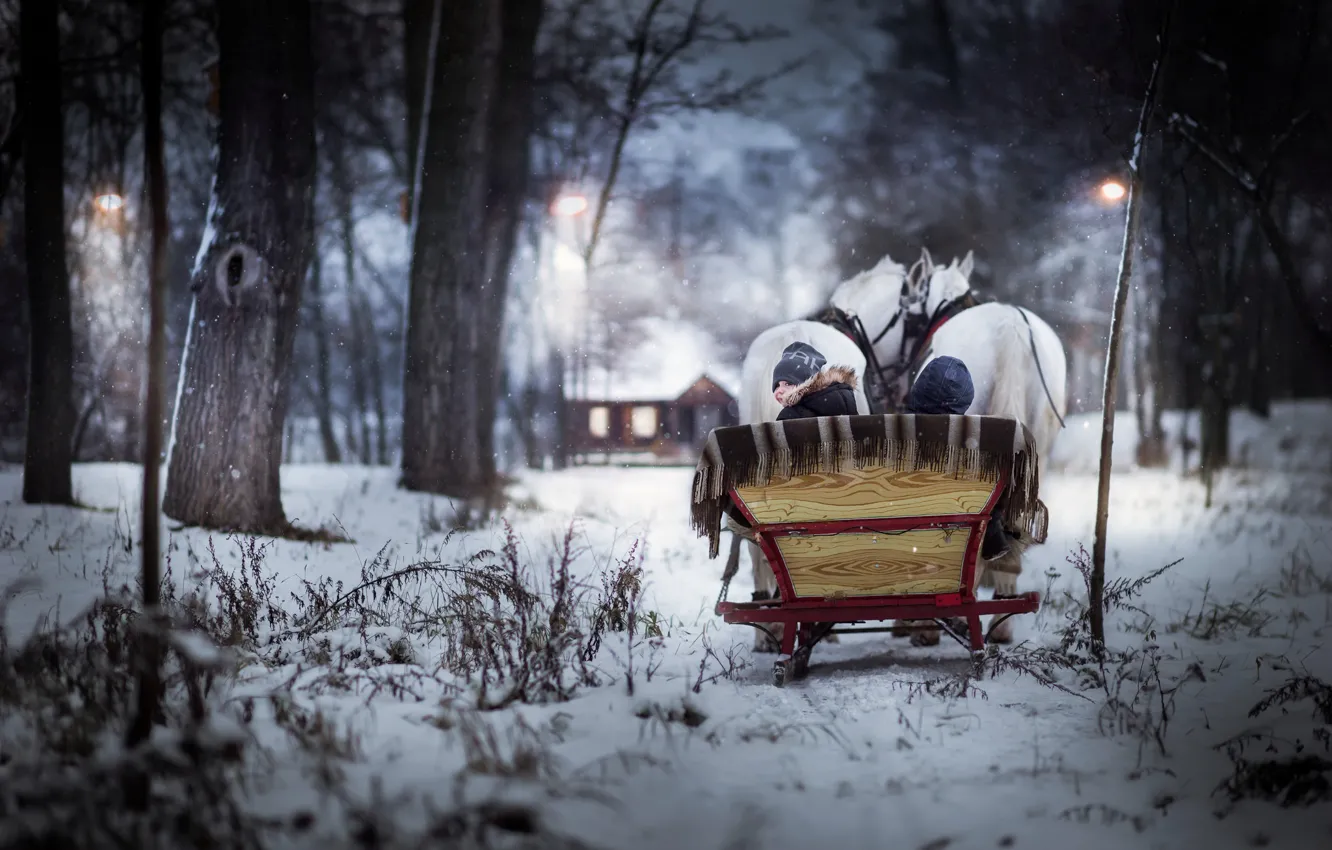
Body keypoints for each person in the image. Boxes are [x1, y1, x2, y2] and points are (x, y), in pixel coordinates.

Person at [904, 356, 1013, 561]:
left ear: (918, 389)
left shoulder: (882, 440)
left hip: (882, 555)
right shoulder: (979, 457)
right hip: (947, 560)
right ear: (964, 402)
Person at [771, 342, 859, 420]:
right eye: (777, 385)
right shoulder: (842, 400)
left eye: (787, 383)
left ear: (805, 383)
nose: (780, 390)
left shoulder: (790, 415)